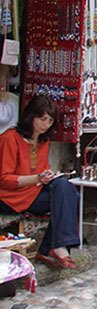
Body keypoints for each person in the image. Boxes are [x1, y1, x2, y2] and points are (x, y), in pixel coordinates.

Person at [0, 95, 80, 269]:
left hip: (32, 192)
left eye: (50, 120)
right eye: (42, 119)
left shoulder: (43, 141)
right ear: (31, 117)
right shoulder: (10, 138)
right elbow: (4, 179)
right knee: (69, 194)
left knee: (67, 188)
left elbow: (41, 171)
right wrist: (37, 178)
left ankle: (57, 247)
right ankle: (53, 248)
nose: (46, 124)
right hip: (9, 197)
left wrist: (48, 176)